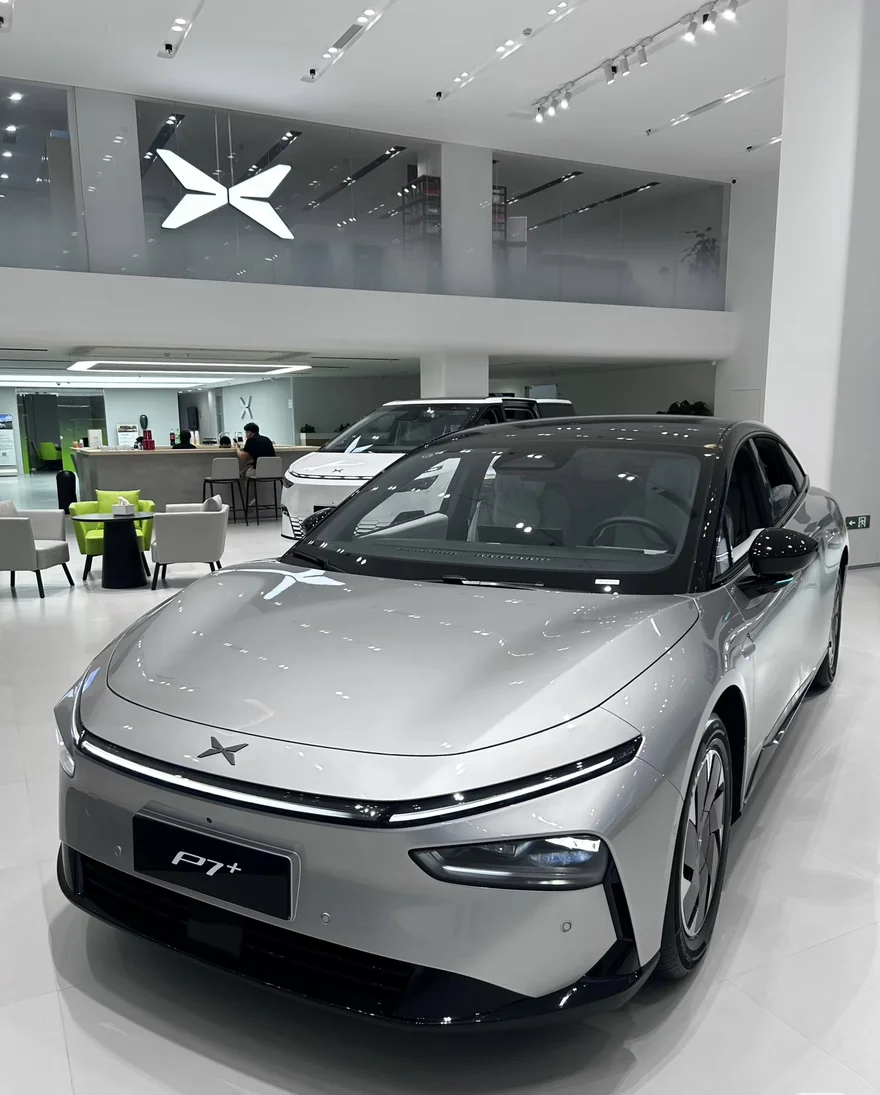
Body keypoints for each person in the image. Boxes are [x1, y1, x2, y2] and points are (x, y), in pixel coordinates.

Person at [235, 423, 276, 501]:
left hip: (259, 471)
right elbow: (264, 457)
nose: (246, 435)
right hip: (272, 471)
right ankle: (257, 498)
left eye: (246, 433)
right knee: (247, 470)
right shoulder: (267, 439)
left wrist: (236, 448)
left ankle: (250, 498)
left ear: (250, 433)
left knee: (243, 474)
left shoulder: (250, 441)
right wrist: (252, 461)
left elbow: (243, 457)